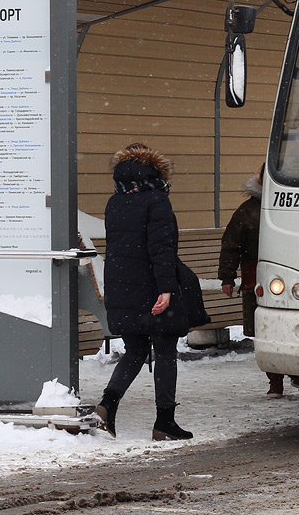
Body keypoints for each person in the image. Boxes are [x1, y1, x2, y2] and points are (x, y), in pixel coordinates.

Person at [94, 143, 193, 441]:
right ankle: (165, 422)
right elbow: (161, 250)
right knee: (164, 351)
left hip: (122, 288)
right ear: (155, 171)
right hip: (150, 287)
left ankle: (107, 406)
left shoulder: (116, 201)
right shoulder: (156, 200)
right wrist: (166, 289)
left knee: (135, 349)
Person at [218, 164, 286, 398]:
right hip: (257, 278)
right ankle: (275, 380)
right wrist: (227, 277)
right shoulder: (249, 211)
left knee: (285, 329)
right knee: (266, 331)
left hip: (286, 277)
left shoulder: (289, 207)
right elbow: (231, 246)